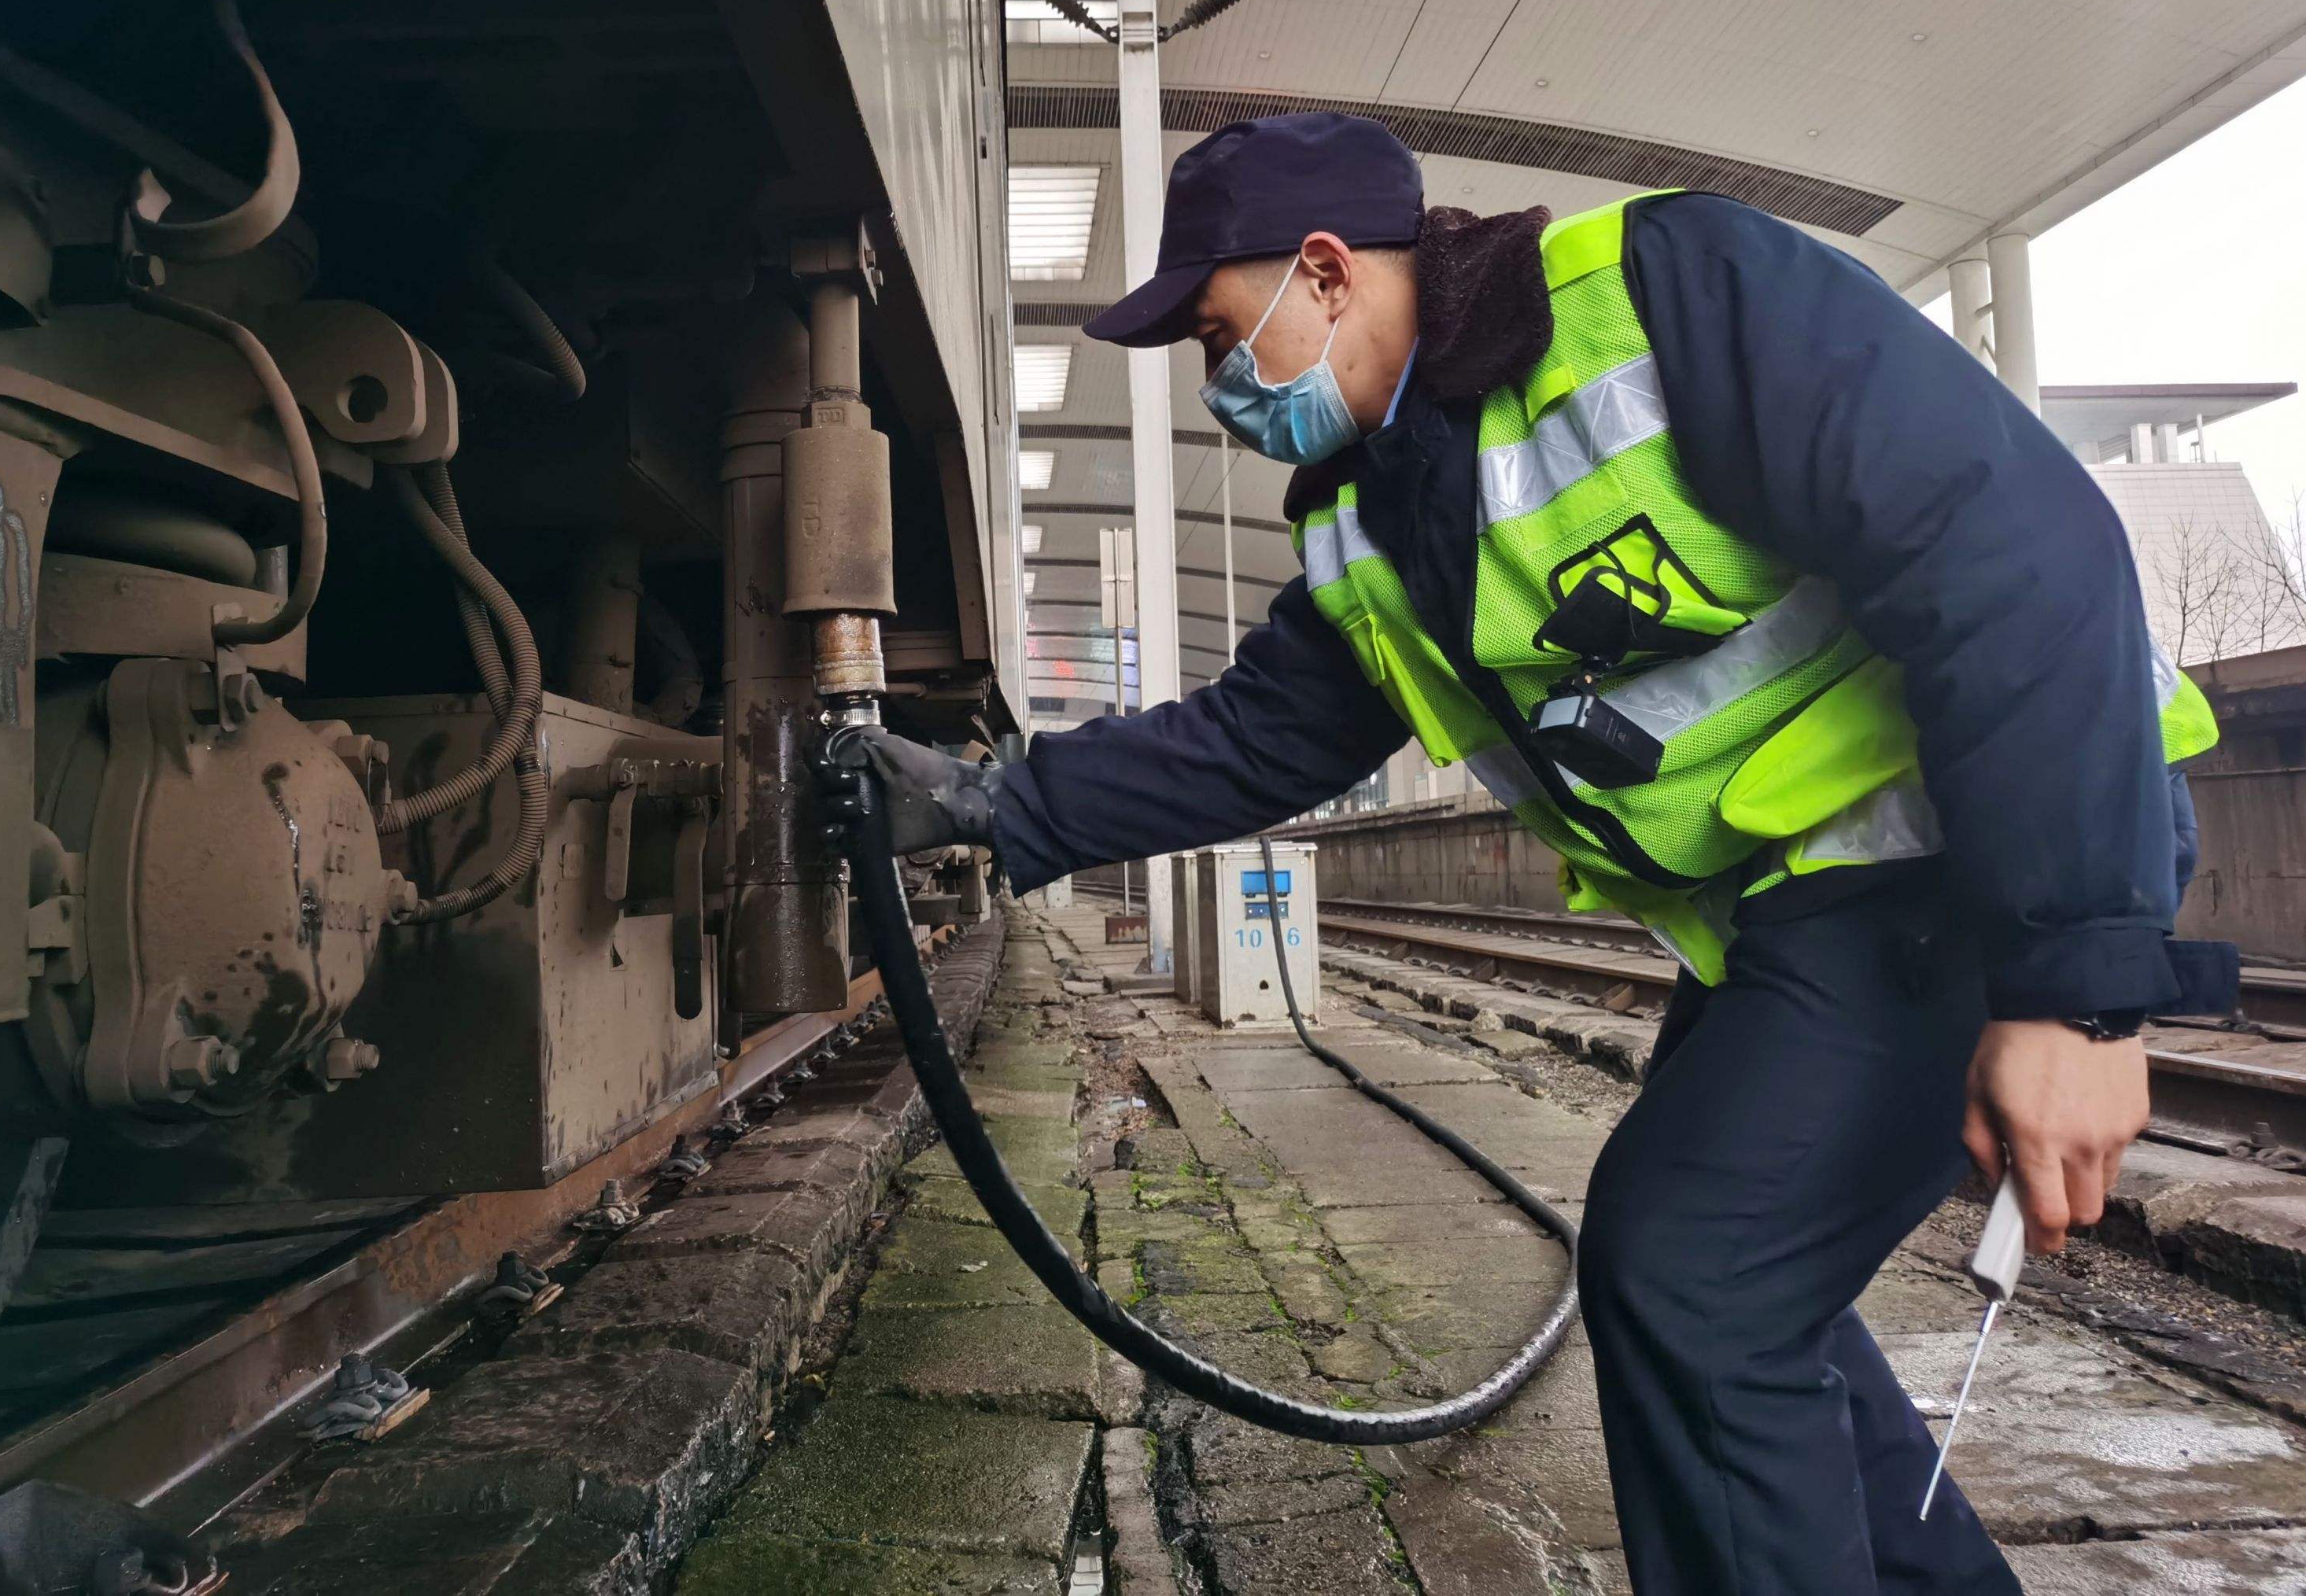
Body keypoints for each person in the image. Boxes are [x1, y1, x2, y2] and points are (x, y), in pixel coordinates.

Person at [833, 111, 2234, 1594]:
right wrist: (997, 802)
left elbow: (2011, 542)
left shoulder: (1663, 291)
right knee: (1727, 1290)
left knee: (1695, 1269)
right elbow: (1255, 736)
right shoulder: (1377, 520)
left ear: (1321, 273)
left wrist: (2078, 984)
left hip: (1983, 837)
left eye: (1217, 332)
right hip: (1812, 904)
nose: (1219, 383)